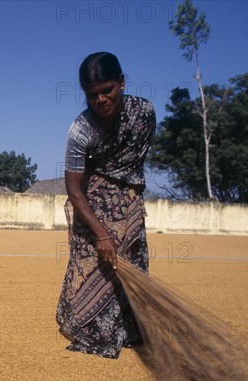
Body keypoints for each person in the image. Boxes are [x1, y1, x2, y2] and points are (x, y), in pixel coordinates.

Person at [56, 52, 156, 358]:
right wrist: (101, 232)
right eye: (91, 95)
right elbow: (73, 187)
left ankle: (130, 325)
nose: (100, 100)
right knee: (93, 266)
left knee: (129, 262)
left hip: (129, 200)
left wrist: (125, 207)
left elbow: (132, 166)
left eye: (107, 90)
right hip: (90, 203)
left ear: (122, 83)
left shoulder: (144, 113)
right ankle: (86, 320)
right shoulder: (81, 130)